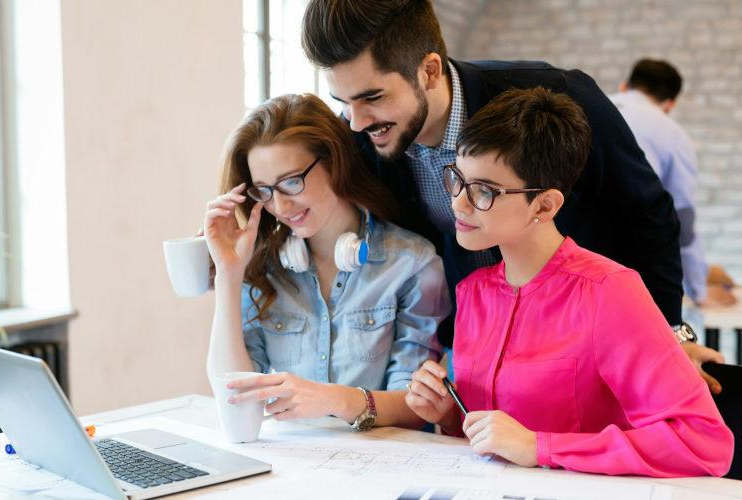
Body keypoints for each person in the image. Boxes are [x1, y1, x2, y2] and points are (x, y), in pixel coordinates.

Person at [300, 0, 724, 392]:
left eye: (372, 97)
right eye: (344, 102)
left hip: (589, 340)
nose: (356, 122)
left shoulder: (558, 99)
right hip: (472, 351)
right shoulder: (363, 138)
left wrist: (668, 333)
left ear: (429, 70)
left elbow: (648, 214)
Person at [404, 87, 733, 477]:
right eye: (457, 179)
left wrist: (540, 445)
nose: (458, 203)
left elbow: (702, 441)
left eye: (484, 191)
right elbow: (496, 441)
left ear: (545, 205)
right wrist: (449, 416)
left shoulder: (609, 292)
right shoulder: (473, 292)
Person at [203, 93, 449, 430]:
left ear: (334, 161)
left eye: (292, 182)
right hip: (297, 462)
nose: (281, 207)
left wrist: (333, 399)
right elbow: (234, 396)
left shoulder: (411, 264)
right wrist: (229, 276)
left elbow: (415, 407)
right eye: (264, 191)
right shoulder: (264, 269)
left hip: (381, 462)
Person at [610, 58, 736, 308]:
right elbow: (683, 220)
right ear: (670, 104)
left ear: (625, 86)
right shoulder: (671, 134)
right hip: (629, 272)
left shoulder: (587, 108)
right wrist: (699, 291)